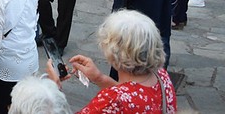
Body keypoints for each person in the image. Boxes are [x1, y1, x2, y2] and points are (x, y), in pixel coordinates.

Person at [46, 10, 177, 113]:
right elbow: (131, 96)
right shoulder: (161, 77)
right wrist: (100, 78)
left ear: (113, 54)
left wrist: (54, 88)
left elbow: (123, 99)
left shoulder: (113, 100)